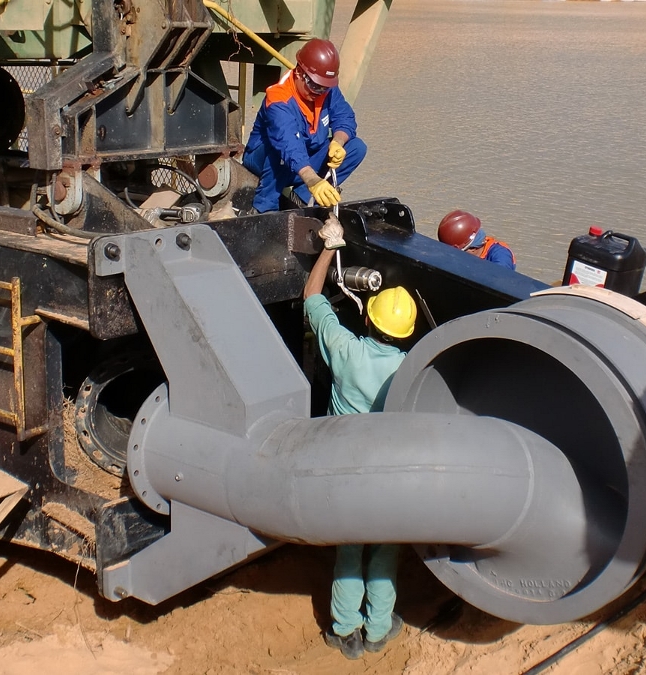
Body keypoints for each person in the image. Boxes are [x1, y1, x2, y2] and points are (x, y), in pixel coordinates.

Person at [303, 219, 414, 660]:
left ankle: (344, 632)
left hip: (343, 468)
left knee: (349, 550)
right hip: (390, 475)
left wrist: (330, 248)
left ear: (367, 317)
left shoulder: (347, 350)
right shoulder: (412, 369)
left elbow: (312, 297)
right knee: (385, 550)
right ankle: (379, 628)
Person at [242, 39, 366, 213]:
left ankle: (302, 198)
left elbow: (345, 117)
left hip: (304, 154)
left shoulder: (325, 88)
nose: (318, 92)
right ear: (300, 72)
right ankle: (264, 208)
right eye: (314, 86)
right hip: (266, 157)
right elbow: (288, 145)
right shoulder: (279, 98)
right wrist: (312, 180)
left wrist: (338, 141)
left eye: (324, 88)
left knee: (356, 148)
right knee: (282, 154)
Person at [437, 209, 516, 270]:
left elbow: (500, 280)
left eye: (457, 254)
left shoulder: (501, 255)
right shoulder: (465, 251)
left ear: (472, 249)